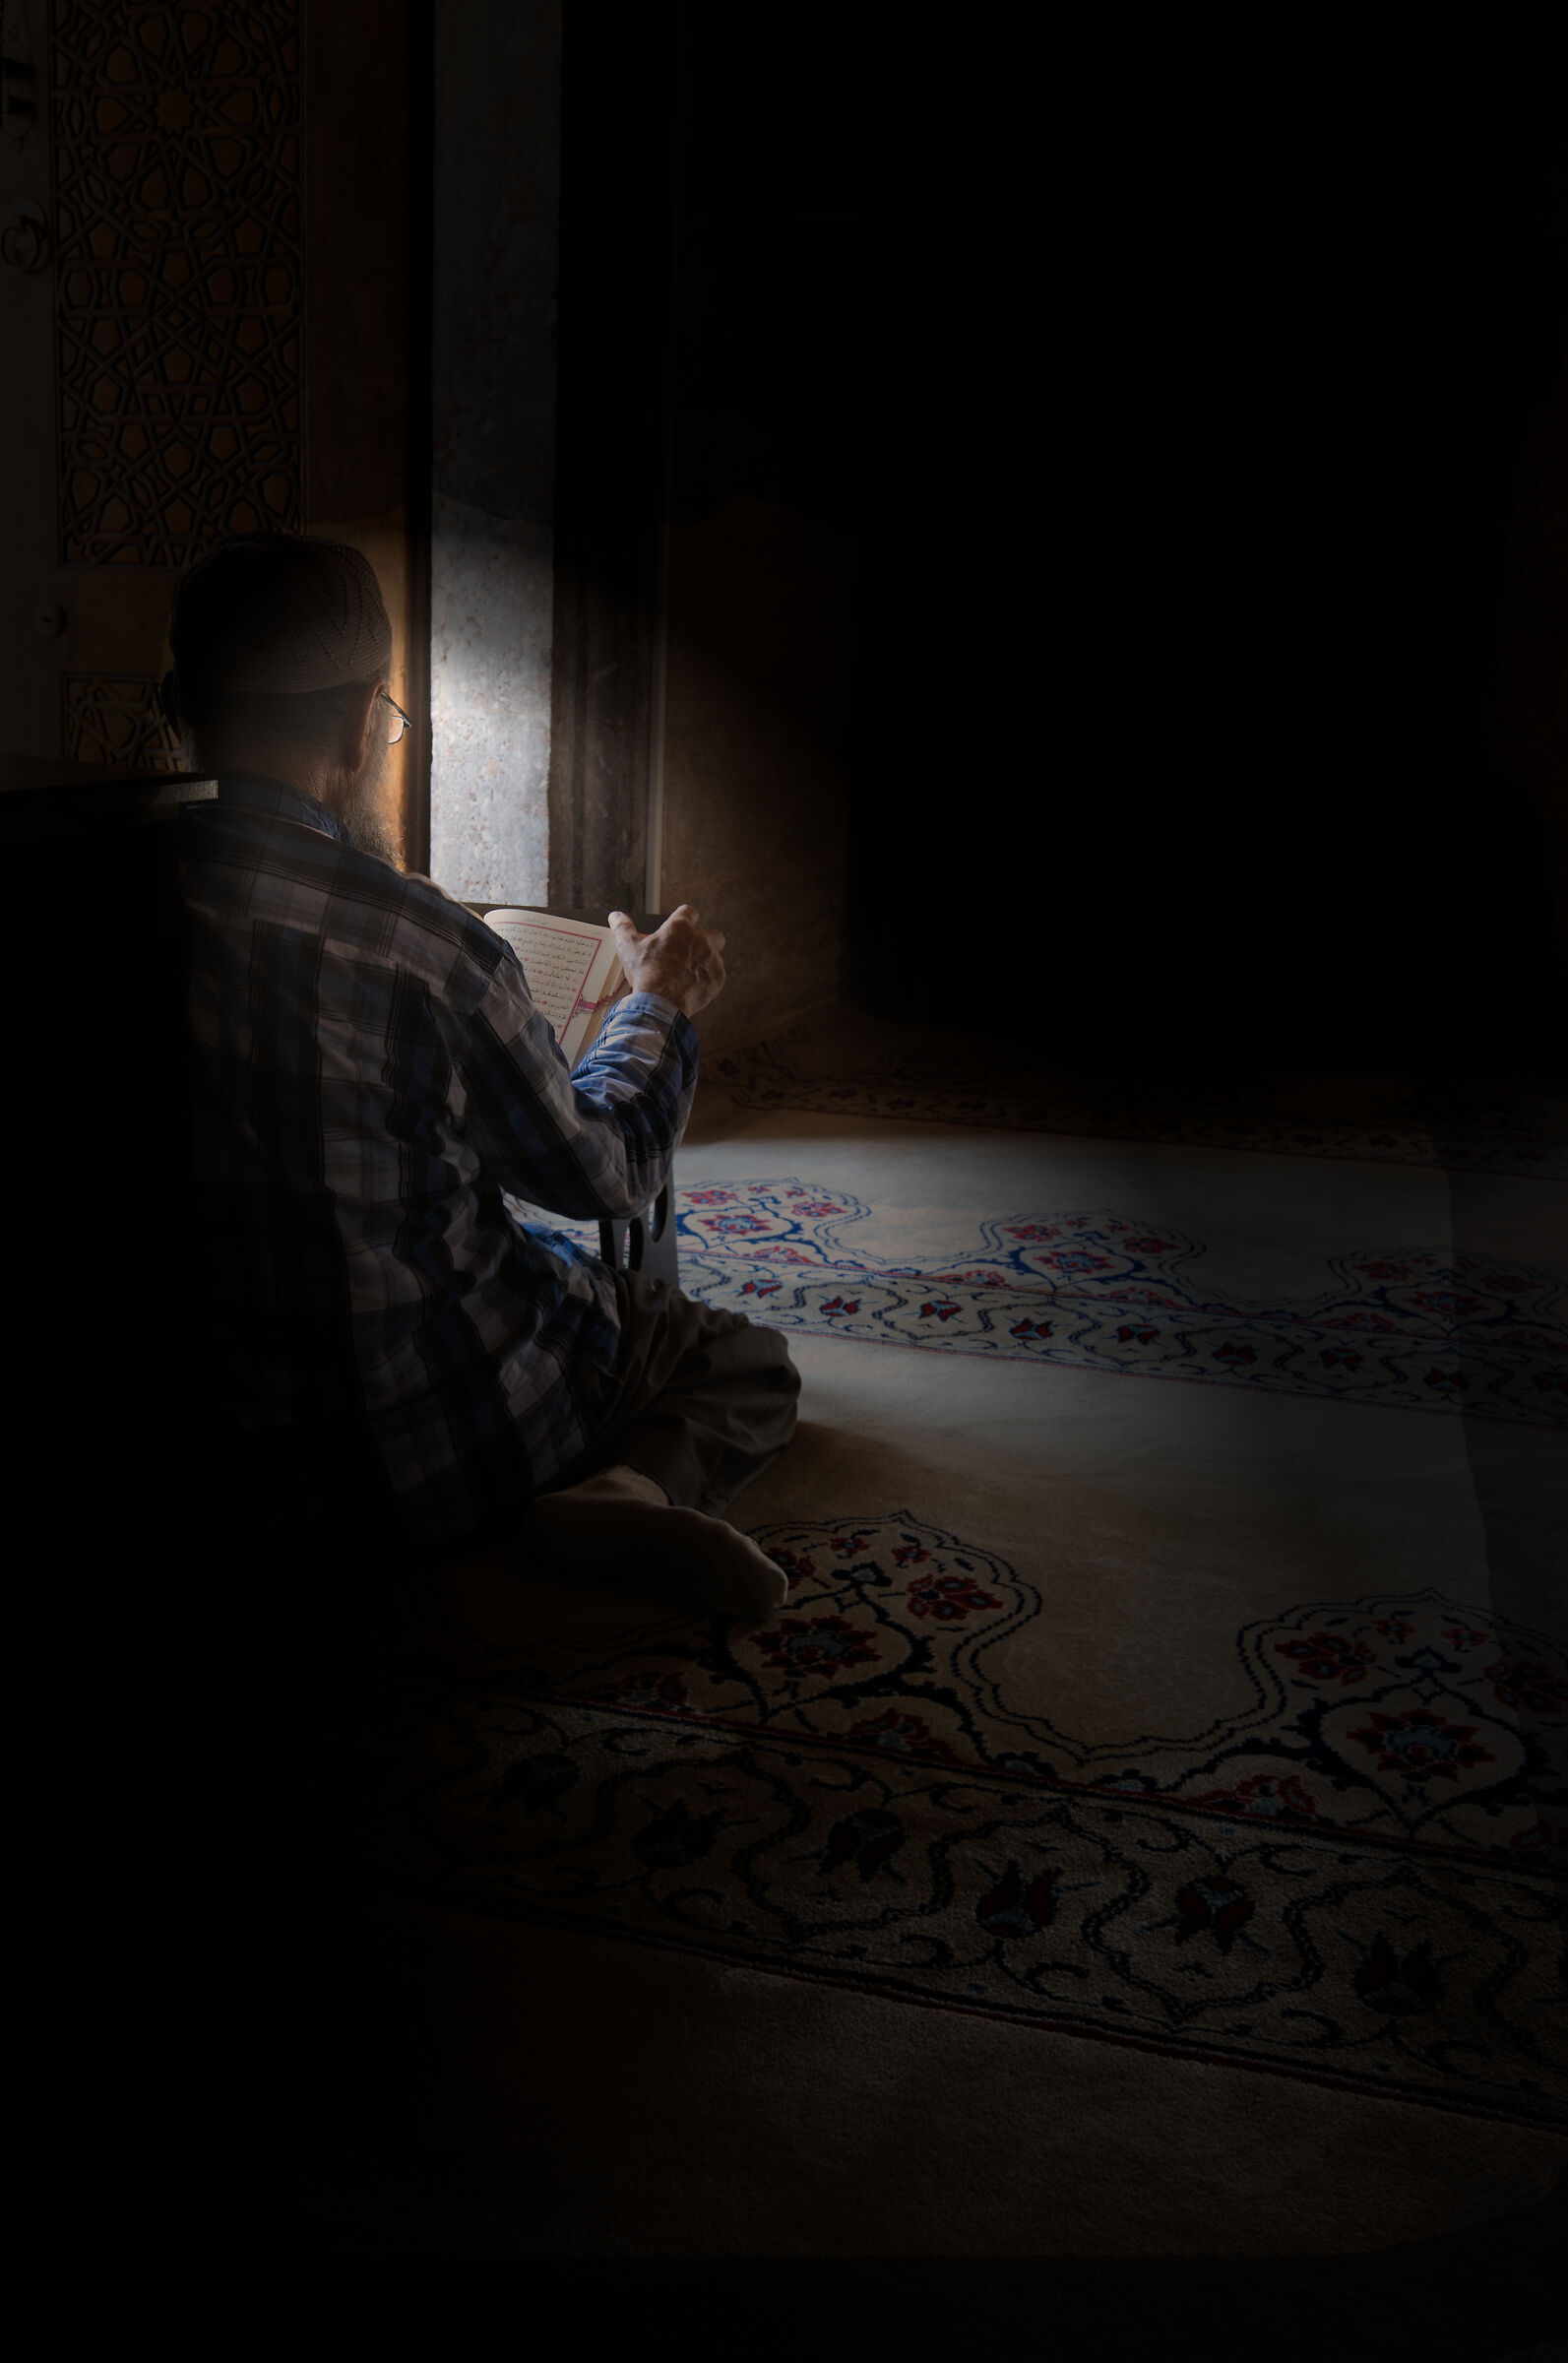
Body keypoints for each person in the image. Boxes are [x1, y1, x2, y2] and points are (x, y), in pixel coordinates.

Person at [162, 530, 799, 1622]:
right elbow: (605, 1172)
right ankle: (621, 1487)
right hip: (426, 1467)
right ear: (366, 723)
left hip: (190, 1471)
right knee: (741, 1360)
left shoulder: (75, 904)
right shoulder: (425, 946)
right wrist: (657, 1002)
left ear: (177, 704)